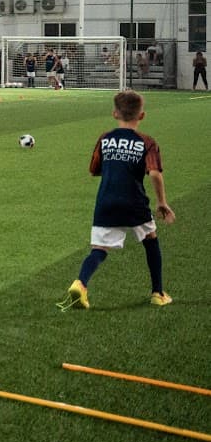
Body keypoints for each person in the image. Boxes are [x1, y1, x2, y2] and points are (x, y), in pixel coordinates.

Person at [58, 90, 175, 311]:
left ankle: (80, 284)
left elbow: (94, 170)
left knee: (99, 250)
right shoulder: (147, 142)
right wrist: (162, 202)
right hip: (134, 203)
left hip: (106, 202)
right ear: (141, 116)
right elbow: (154, 173)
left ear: (114, 114)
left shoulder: (105, 139)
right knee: (150, 239)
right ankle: (158, 293)